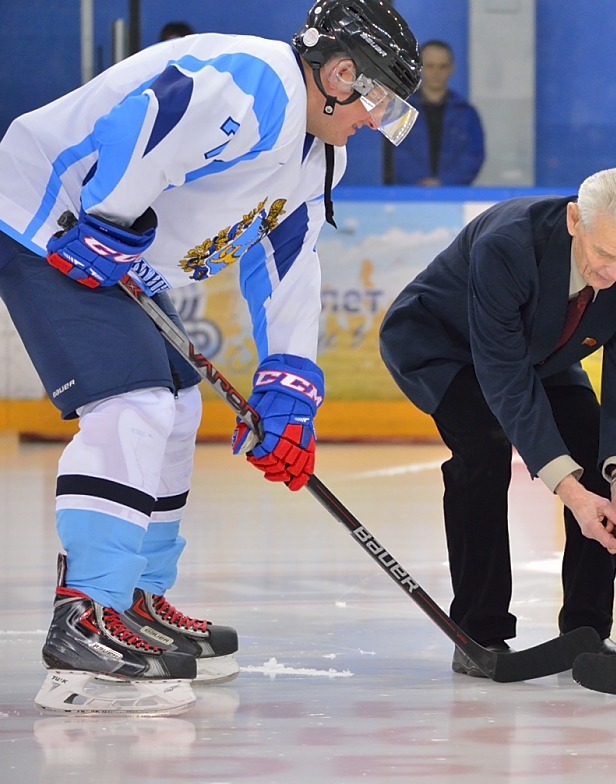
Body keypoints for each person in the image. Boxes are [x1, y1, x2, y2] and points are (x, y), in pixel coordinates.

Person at [0, 0, 422, 715]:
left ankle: (134, 600)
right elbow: (154, 114)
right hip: (50, 223)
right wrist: (109, 216)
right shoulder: (256, 83)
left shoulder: (323, 152)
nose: (376, 120)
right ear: (342, 74)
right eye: (379, 99)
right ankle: (83, 623)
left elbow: (287, 267)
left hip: (119, 256)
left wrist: (289, 390)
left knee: (178, 403)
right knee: (132, 403)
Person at [379, 167, 616, 676]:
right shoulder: (508, 244)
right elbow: (504, 379)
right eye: (605, 255)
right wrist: (574, 495)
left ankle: (586, 632)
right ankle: (479, 631)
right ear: (575, 220)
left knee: (597, 450)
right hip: (446, 349)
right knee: (484, 451)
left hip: (543, 355)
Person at [392, 40, 485, 186]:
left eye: (442, 66)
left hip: (453, 197)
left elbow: (473, 156)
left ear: (452, 69)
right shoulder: (400, 110)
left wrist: (444, 182)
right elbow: (393, 153)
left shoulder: (467, 113)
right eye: (430, 66)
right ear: (419, 68)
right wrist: (421, 181)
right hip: (407, 196)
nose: (436, 72)